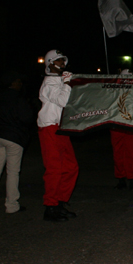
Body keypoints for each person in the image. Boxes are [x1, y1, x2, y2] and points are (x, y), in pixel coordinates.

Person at [0, 71, 37, 214]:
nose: (20, 84)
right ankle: (12, 205)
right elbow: (27, 117)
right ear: (12, 83)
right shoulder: (18, 98)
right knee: (13, 172)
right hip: (13, 137)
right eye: (18, 81)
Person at [37, 50, 79, 222]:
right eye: (60, 61)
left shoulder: (60, 80)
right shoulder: (49, 83)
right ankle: (51, 207)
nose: (63, 64)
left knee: (71, 167)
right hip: (49, 127)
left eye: (63, 61)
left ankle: (60, 202)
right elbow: (62, 101)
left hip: (61, 127)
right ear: (50, 63)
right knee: (54, 168)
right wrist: (67, 83)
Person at [112, 69, 133, 190]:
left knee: (132, 154)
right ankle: (121, 179)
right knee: (118, 154)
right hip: (117, 126)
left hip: (132, 127)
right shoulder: (114, 91)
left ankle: (132, 180)